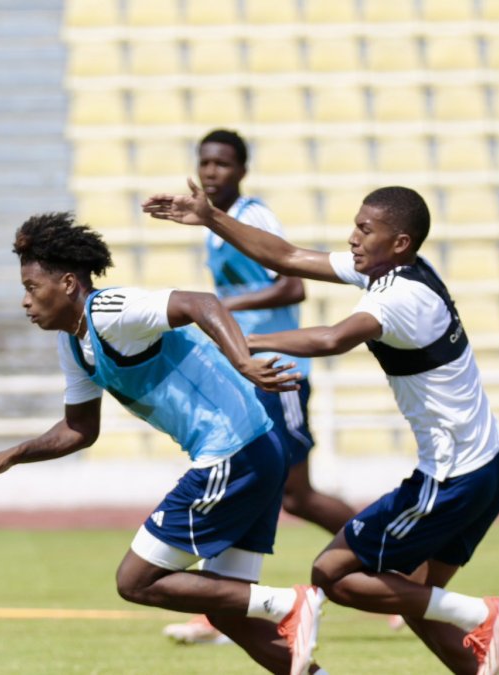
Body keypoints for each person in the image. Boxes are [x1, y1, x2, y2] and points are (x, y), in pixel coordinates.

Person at [144, 182, 499, 675]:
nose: (353, 238)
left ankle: (480, 613)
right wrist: (211, 217)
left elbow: (332, 337)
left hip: (453, 477)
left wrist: (239, 341)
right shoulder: (395, 275)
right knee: (412, 597)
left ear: (399, 243)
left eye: (365, 229)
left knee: (333, 574)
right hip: (485, 466)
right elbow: (288, 256)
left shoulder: (401, 296)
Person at [0, 212, 328, 675]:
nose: (25, 302)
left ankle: (289, 602)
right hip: (255, 451)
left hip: (232, 453)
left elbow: (202, 302)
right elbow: (79, 430)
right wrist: (12, 455)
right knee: (229, 612)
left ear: (69, 284)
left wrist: (243, 362)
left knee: (135, 580)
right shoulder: (73, 343)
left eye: (32, 289)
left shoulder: (112, 312)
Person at [163, 130, 358, 646]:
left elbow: (292, 284)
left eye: (223, 164)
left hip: (281, 371)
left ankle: (396, 561)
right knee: (260, 488)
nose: (211, 172)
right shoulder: (213, 225)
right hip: (252, 372)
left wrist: (223, 310)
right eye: (205, 162)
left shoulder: (253, 217)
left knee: (295, 494)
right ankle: (224, 610)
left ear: (241, 171)